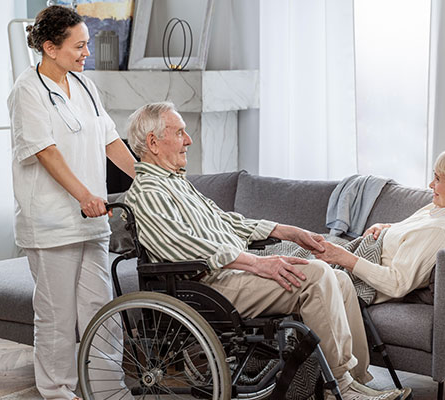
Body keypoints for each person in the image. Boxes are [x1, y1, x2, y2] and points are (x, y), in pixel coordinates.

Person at [123, 102, 412, 400]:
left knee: (338, 278)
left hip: (231, 275)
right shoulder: (148, 193)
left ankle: (355, 380)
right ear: (154, 143)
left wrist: (288, 231)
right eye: (180, 132)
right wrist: (257, 264)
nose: (189, 140)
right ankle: (339, 386)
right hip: (208, 285)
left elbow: (226, 221)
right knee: (315, 275)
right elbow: (185, 246)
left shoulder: (177, 184)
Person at [7, 6, 136, 400]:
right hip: (50, 224)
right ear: (49, 47)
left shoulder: (84, 86)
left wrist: (151, 181)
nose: (87, 53)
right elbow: (45, 152)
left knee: (103, 312)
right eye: (79, 46)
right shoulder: (26, 92)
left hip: (92, 223)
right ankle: (58, 390)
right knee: (57, 318)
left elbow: (111, 140)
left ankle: (105, 386)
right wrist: (85, 196)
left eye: (88, 44)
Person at [313, 139, 445, 303]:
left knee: (297, 265)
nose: (431, 185)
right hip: (366, 248)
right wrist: (385, 227)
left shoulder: (441, 232)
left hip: (362, 276)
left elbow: (397, 283)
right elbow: (415, 232)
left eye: (438, 178)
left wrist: (343, 257)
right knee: (298, 245)